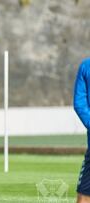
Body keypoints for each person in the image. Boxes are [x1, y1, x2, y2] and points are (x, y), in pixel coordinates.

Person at [74, 58, 90, 203]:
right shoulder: (86, 66)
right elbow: (79, 103)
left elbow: (79, 104)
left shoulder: (86, 65)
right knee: (84, 196)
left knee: (84, 196)